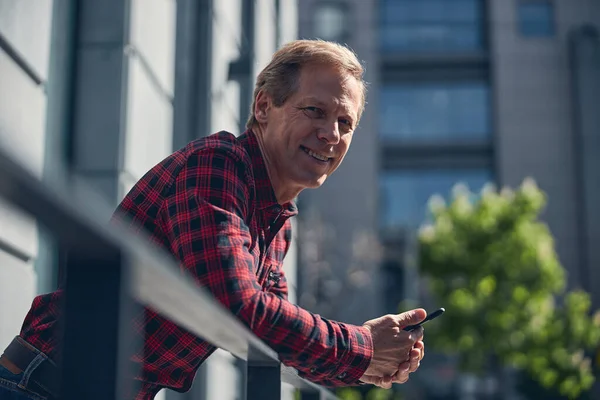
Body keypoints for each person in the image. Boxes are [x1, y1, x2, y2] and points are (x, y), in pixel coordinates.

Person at [0, 40, 426, 400]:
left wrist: (372, 361)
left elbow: (275, 336)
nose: (332, 134)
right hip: (40, 387)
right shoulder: (219, 165)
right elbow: (240, 306)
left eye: (345, 122)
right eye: (314, 110)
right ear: (263, 106)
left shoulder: (276, 221)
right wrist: (361, 347)